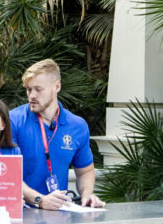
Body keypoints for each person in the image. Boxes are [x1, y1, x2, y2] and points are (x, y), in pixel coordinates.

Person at [10, 59, 104, 210]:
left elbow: (85, 170)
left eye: (38, 89)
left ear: (57, 86)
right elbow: (8, 175)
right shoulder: (13, 120)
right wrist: (39, 200)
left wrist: (87, 195)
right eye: (28, 89)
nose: (32, 95)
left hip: (58, 212)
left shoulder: (77, 126)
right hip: (20, 212)